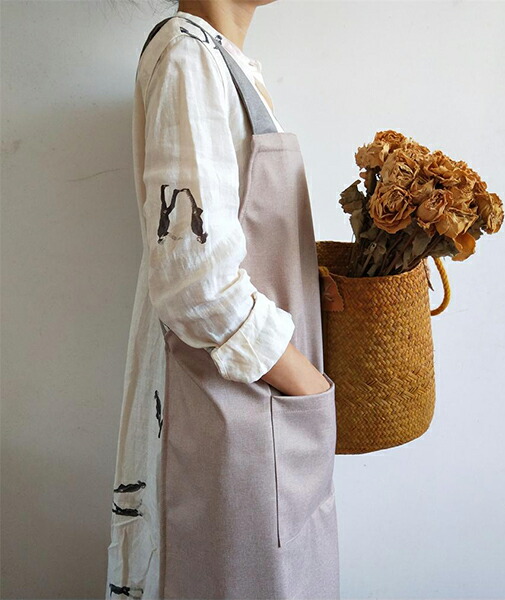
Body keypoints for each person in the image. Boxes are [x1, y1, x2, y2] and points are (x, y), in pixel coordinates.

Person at [106, 2, 340, 598]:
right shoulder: (189, 58)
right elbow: (196, 284)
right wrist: (308, 384)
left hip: (259, 417)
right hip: (234, 417)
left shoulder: (224, 64)